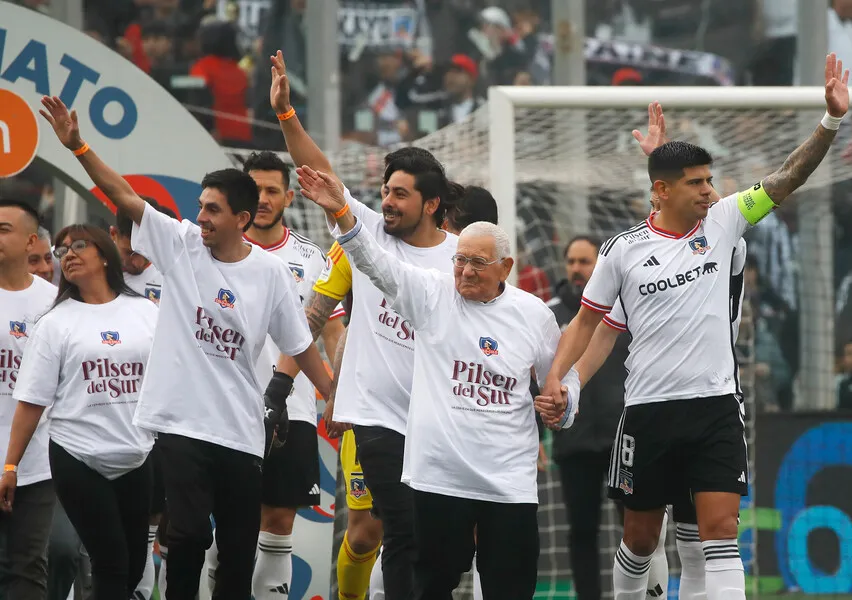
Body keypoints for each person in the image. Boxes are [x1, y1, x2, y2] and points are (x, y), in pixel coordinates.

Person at [543, 53, 850, 600]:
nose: (710, 190)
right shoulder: (622, 252)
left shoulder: (727, 219)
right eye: (696, 183)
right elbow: (590, 325)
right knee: (640, 540)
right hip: (647, 411)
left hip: (714, 407)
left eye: (710, 180)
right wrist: (562, 382)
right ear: (661, 191)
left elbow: (788, 176)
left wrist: (829, 122)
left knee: (719, 534)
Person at [38, 94, 333, 600]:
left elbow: (300, 343)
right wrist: (78, 146)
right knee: (191, 533)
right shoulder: (181, 244)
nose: (201, 217)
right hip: (179, 427)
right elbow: (126, 197)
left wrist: (335, 394)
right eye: (200, 206)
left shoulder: (270, 273)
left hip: (242, 430)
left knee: (240, 550)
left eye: (213, 210)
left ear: (242, 219)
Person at [298, 164, 579, 599]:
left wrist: (565, 401)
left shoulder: (534, 315)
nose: (464, 271)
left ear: (505, 267)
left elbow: (561, 377)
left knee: (509, 588)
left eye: (478, 263)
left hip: (508, 484)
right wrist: (343, 215)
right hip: (439, 480)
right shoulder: (431, 295)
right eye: (459, 260)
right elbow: (376, 264)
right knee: (426, 583)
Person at [270, 49, 456, 600]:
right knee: (402, 530)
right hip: (376, 416)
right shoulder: (366, 232)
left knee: (434, 540)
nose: (388, 202)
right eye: (385, 192)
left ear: (433, 203)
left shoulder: (459, 260)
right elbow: (321, 173)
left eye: (401, 194)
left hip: (438, 417)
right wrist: (286, 115)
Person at [202, 150, 345, 599]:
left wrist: (336, 390)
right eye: (255, 189)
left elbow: (333, 332)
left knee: (280, 519)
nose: (263, 199)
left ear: (287, 197)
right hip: (220, 409)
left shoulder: (312, 257)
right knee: (220, 519)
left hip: (293, 408)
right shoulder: (209, 253)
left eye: (272, 191)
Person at [0, 224, 158, 599]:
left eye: (78, 245)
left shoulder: (146, 312)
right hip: (77, 456)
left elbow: (170, 379)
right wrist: (11, 466)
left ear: (105, 254)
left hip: (137, 455)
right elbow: (32, 401)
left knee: (135, 566)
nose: (67, 254)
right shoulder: (55, 323)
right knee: (110, 562)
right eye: (61, 250)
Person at [547, 234, 630, 600]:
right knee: (582, 531)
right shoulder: (549, 313)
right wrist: (536, 435)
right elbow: (535, 377)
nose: (577, 269)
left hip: (622, 438)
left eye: (585, 261)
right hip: (575, 441)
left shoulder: (624, 308)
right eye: (572, 262)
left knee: (635, 529)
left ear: (600, 265)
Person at [110, 194, 177, 600]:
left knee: (161, 513)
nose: (137, 258)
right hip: (111, 409)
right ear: (114, 233)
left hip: (165, 410)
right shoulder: (94, 274)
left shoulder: (176, 272)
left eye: (146, 249)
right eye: (129, 247)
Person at [0, 200, 58, 600]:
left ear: (31, 240)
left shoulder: (55, 303)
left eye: (3, 229)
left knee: (28, 567)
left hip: (36, 465)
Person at [110, 195, 177, 304]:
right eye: (130, 253)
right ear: (113, 234)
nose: (138, 263)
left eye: (147, 251)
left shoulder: (175, 272)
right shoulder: (95, 272)